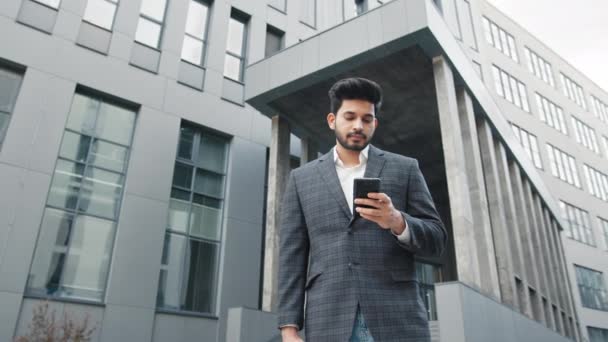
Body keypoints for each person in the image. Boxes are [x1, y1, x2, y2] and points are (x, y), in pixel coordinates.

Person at [278, 77, 447, 342]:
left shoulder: (405, 168)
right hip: (328, 319)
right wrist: (288, 329)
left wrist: (397, 221)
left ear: (374, 124)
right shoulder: (302, 179)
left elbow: (437, 239)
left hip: (397, 319)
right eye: (350, 117)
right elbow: (292, 257)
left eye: (367, 119)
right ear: (333, 120)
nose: (358, 125)